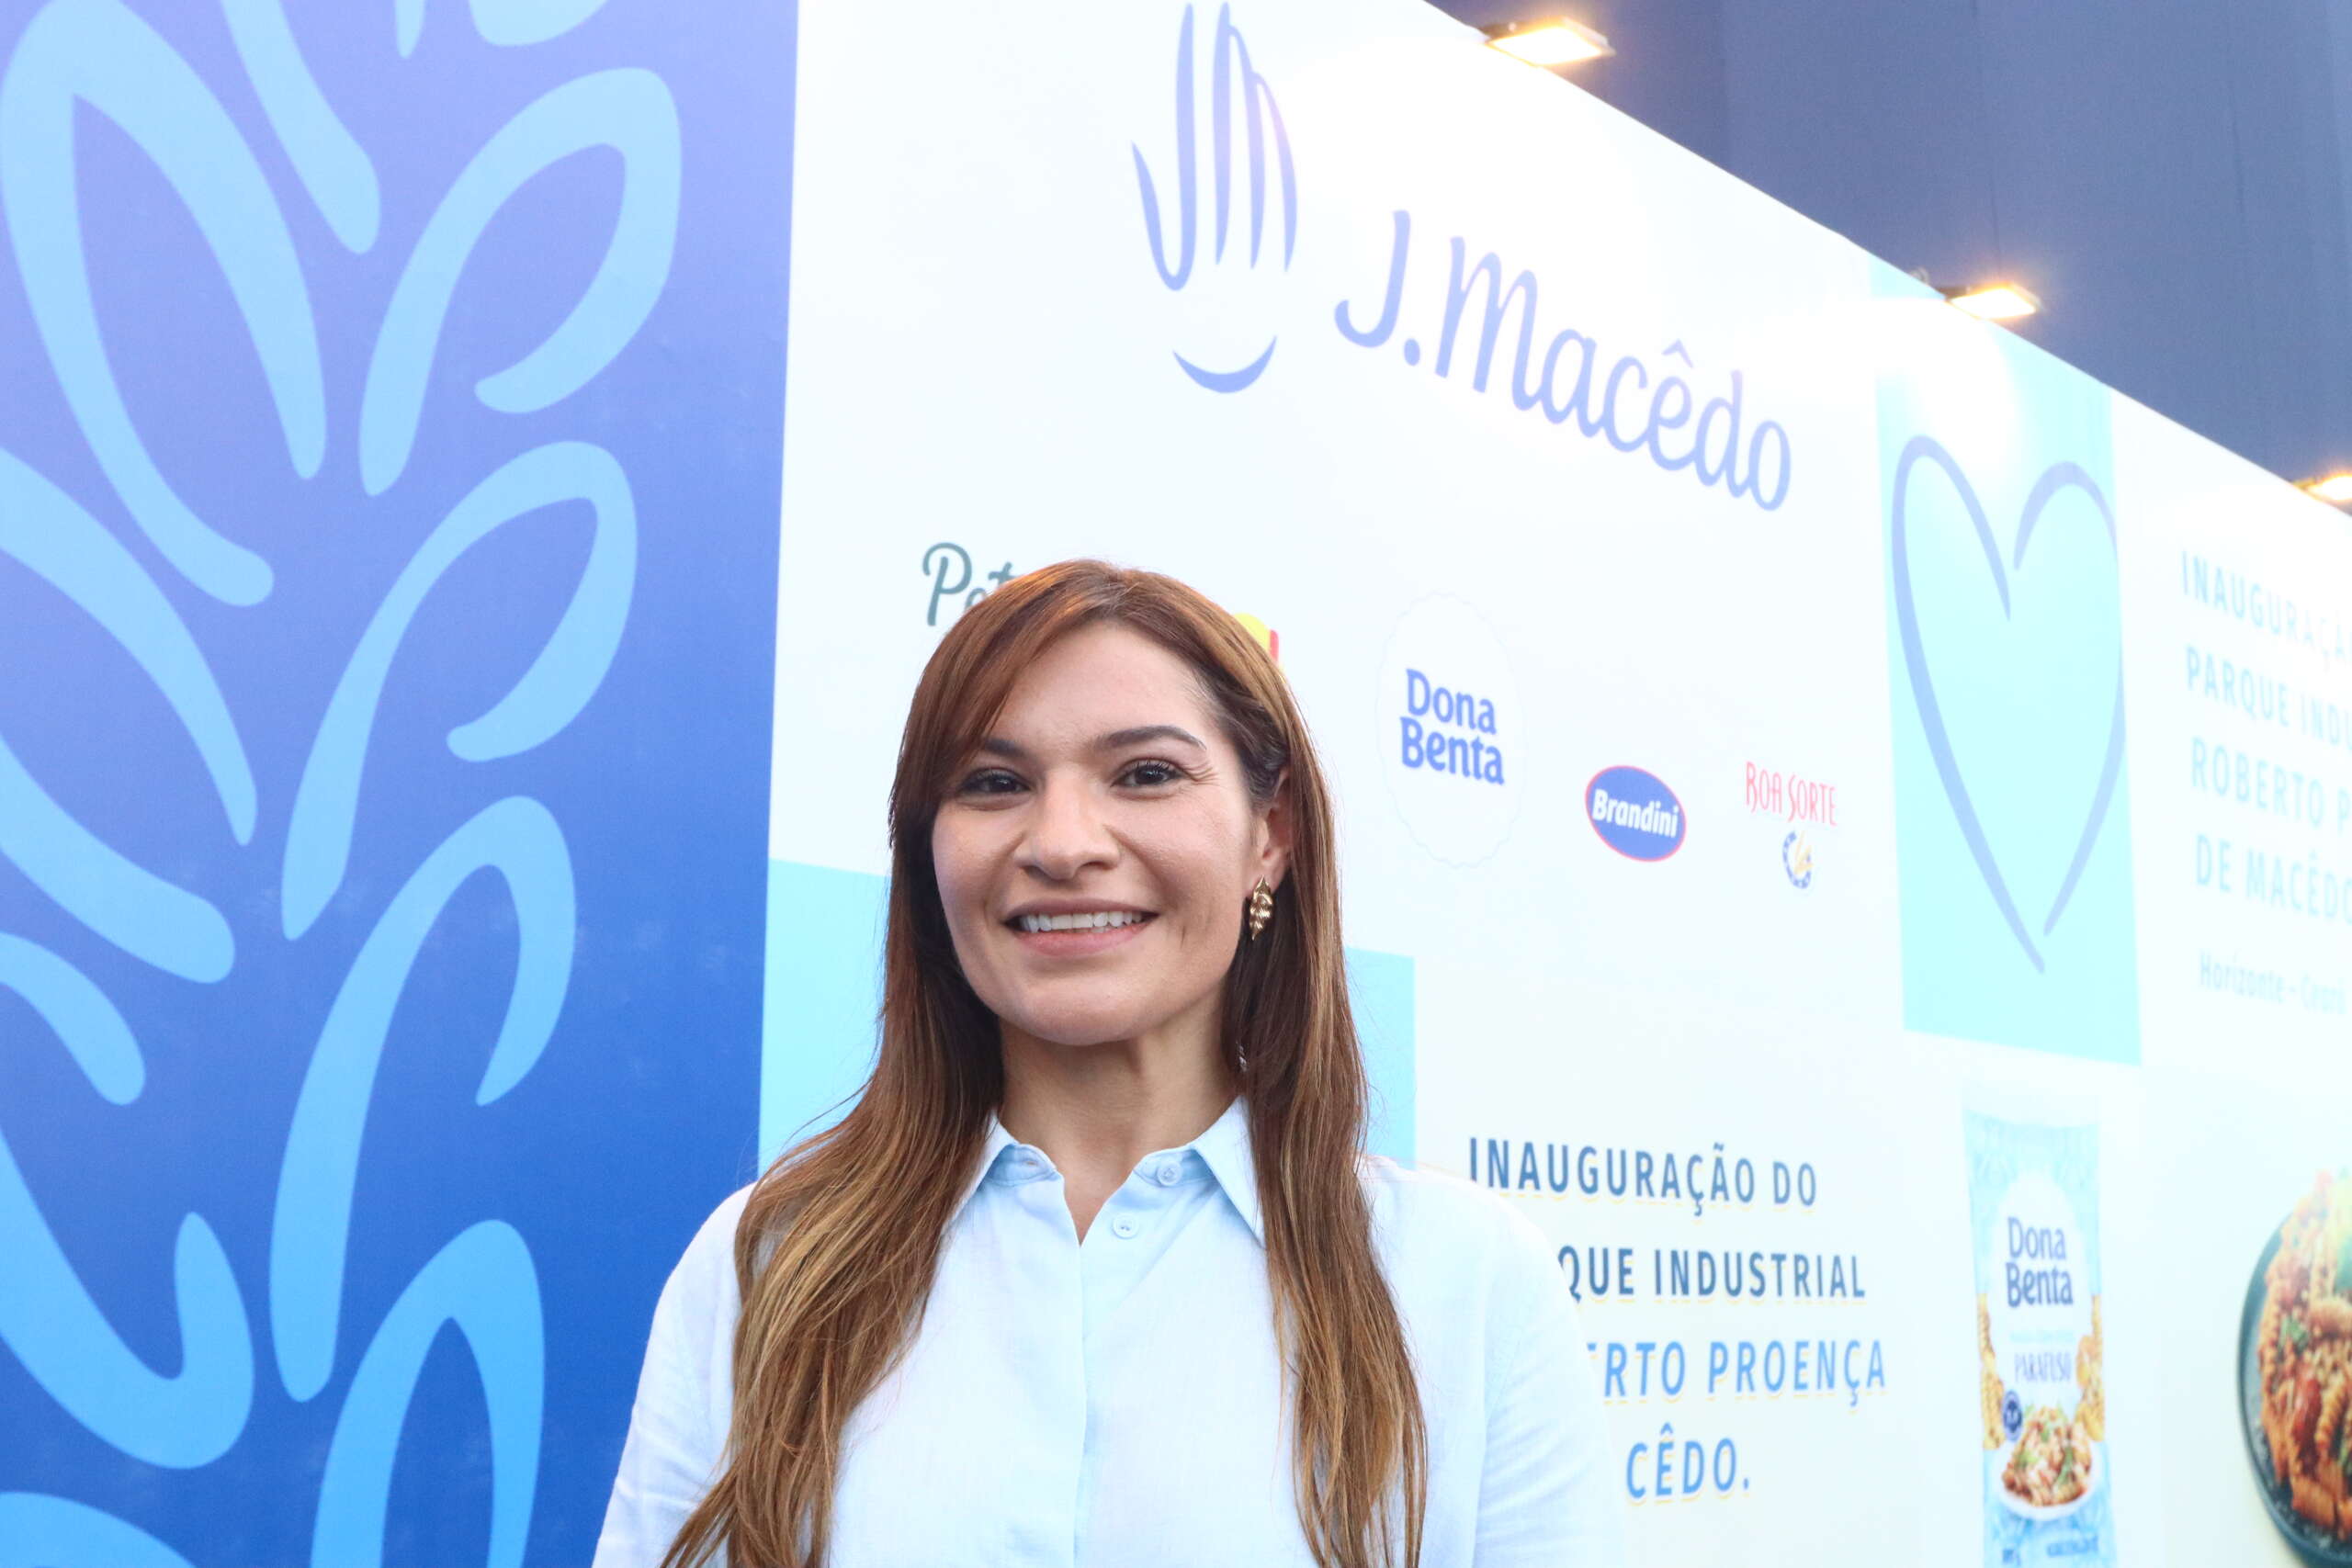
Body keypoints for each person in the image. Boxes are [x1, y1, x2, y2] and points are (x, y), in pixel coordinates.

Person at [592, 560, 1623, 1568]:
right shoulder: (768, 1265)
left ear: (1270, 835)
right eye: (994, 783)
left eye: (1146, 774)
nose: (1063, 842)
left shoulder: (1463, 1281)